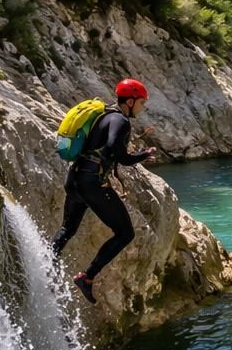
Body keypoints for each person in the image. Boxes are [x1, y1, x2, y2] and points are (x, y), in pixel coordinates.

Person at [52, 78, 158, 303]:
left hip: (75, 179)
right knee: (125, 233)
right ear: (130, 101)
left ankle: (48, 261)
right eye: (141, 102)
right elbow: (117, 153)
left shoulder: (103, 116)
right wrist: (144, 154)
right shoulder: (120, 121)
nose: (143, 106)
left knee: (68, 228)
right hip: (93, 183)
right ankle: (87, 277)